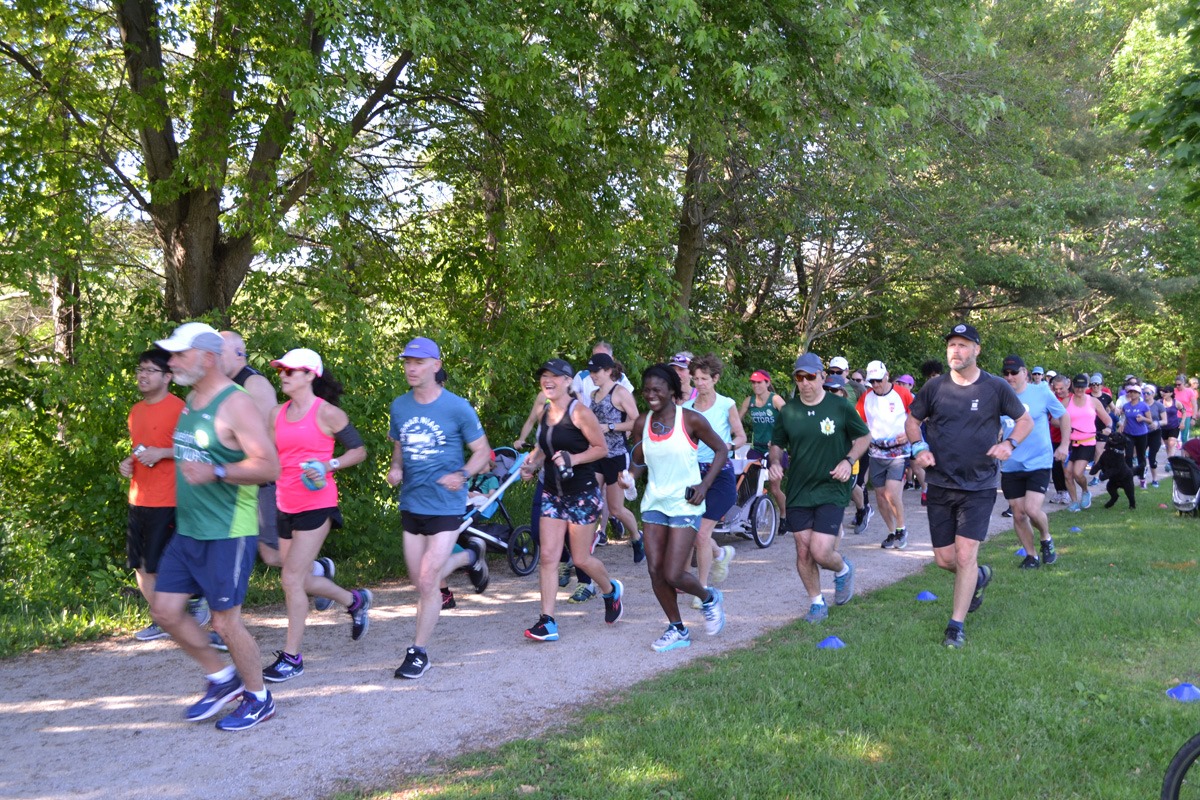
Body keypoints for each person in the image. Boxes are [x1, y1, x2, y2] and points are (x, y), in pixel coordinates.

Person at [149, 322, 281, 730]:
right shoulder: (191, 398)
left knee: (225, 621)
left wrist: (218, 471)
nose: (170, 362)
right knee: (165, 610)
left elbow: (268, 465)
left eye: (178, 354)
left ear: (207, 357)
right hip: (189, 528)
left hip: (228, 531)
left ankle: (259, 697)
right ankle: (222, 678)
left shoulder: (235, 404)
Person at [904, 323, 1032, 649]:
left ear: (977, 349)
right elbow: (912, 421)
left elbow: (1025, 420)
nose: (956, 351)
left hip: (980, 485)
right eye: (951, 345)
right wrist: (918, 447)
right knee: (944, 560)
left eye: (963, 345)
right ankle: (980, 576)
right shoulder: (935, 389)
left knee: (964, 556)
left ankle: (955, 626)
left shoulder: (996, 387)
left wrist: (1010, 445)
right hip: (940, 483)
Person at [259, 348, 371, 683]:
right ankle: (353, 601)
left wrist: (328, 464)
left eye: (290, 371)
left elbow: (359, 450)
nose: (283, 375)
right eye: (281, 370)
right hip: (284, 503)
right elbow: (269, 456)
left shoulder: (328, 414)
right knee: (296, 574)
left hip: (317, 504)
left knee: (291, 579)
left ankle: (292, 658)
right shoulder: (275, 414)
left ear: (310, 375)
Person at [387, 337, 492, 678]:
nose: (411, 368)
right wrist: (396, 468)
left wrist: (462, 474)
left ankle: (418, 652)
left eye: (418, 362)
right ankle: (470, 556)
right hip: (412, 501)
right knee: (419, 580)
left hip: (446, 503)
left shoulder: (457, 407)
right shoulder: (400, 406)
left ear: (436, 364)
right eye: (407, 362)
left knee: (430, 577)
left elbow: (482, 452)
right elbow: (400, 443)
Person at [220, 331, 336, 612]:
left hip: (266, 478)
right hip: (241, 478)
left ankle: (320, 571)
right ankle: (317, 570)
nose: (211, 357)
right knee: (267, 553)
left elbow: (270, 434)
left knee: (272, 554)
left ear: (238, 353)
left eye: (218, 351)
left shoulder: (254, 382)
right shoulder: (223, 385)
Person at [519, 358, 624, 642]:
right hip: (553, 493)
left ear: (568, 381)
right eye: (544, 375)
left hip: (582, 494)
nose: (547, 380)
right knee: (549, 557)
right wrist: (531, 465)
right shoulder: (545, 412)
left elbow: (601, 449)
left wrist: (573, 459)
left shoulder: (580, 413)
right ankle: (547, 621)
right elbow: (544, 446)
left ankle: (611, 590)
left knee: (581, 559)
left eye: (554, 375)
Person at [627, 364, 729, 651]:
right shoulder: (641, 423)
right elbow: (639, 460)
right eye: (646, 390)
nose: (651, 395)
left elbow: (722, 450)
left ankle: (709, 598)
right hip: (654, 503)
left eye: (657, 389)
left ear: (672, 390)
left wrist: (705, 485)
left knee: (674, 573)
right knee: (655, 571)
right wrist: (629, 479)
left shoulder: (692, 420)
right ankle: (678, 628)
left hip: (685, 503)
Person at [770, 353, 870, 624]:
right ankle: (816, 602)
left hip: (832, 486)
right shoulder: (789, 410)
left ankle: (842, 568)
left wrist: (849, 461)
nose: (805, 383)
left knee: (821, 551)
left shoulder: (840, 406)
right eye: (799, 377)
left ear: (822, 377)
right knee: (803, 550)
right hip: (800, 489)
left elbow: (864, 437)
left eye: (810, 377)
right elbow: (776, 442)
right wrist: (775, 461)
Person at [119, 347, 193, 641]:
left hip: (169, 499)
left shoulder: (180, 408)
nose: (143, 376)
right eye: (140, 370)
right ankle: (163, 620)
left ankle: (179, 614)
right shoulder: (135, 411)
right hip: (138, 498)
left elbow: (196, 449)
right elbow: (139, 450)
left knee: (161, 565)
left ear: (168, 377)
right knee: (139, 565)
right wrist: (128, 462)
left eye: (150, 371)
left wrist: (162, 452)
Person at [683, 354, 746, 597]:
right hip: (692, 475)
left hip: (720, 473)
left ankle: (702, 589)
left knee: (701, 533)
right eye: (696, 378)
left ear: (715, 379)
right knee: (689, 529)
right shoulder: (685, 409)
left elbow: (740, 436)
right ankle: (720, 554)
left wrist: (727, 446)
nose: (699, 383)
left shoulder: (726, 404)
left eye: (704, 378)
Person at [998, 356, 1069, 569]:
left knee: (1031, 509)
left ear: (1025, 372)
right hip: (1011, 463)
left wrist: (1064, 445)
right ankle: (1031, 557)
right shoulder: (999, 397)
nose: (1009, 377)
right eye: (1006, 373)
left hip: (1039, 460)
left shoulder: (1041, 392)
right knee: (1018, 514)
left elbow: (1064, 417)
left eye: (1014, 372)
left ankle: (1046, 538)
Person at [585, 351, 644, 562]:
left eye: (596, 372)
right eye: (590, 372)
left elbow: (637, 421)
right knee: (590, 502)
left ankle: (637, 538)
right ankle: (584, 550)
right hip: (597, 456)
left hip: (617, 456)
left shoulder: (620, 393)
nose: (592, 376)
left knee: (617, 509)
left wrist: (609, 427)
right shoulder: (592, 395)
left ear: (608, 371)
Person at [855, 360, 913, 549]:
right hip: (876, 452)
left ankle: (902, 528)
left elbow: (920, 415)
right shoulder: (866, 397)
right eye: (872, 382)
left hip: (899, 452)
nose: (876, 385)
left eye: (879, 380)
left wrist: (910, 433)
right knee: (880, 496)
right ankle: (891, 531)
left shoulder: (902, 394)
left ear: (887, 375)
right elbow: (858, 421)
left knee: (891, 493)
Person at [739, 369, 788, 531]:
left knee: (774, 488)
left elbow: (791, 419)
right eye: (753, 382)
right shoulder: (749, 401)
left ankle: (784, 516)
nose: (756, 385)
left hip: (775, 449)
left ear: (767, 382)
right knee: (746, 484)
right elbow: (735, 422)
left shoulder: (775, 399)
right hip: (756, 448)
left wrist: (779, 438)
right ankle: (748, 518)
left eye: (759, 382)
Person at [1064, 373, 1112, 512]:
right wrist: (1064, 423)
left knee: (1078, 473)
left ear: (1087, 387)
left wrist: (1108, 428)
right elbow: (1055, 419)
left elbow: (1108, 420)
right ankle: (1074, 502)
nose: (1079, 390)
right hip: (1069, 443)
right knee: (1068, 473)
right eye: (1077, 386)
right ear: (1073, 386)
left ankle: (1085, 491)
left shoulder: (1093, 401)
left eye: (1082, 386)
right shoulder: (1067, 401)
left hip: (1087, 441)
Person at [1117, 383, 1152, 488]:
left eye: (1134, 392)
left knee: (1141, 456)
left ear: (1139, 394)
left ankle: (1142, 478)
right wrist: (1121, 425)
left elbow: (1150, 421)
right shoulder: (1126, 406)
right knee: (1128, 456)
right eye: (1130, 392)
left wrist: (1143, 419)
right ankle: (1128, 478)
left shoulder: (1143, 405)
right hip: (1129, 434)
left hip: (1141, 434)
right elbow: (1124, 417)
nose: (1131, 394)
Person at [1047, 374, 1073, 503]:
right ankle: (1060, 492)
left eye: (1061, 388)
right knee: (1055, 466)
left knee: (1066, 467)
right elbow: (1052, 420)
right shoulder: (1052, 398)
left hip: (1070, 438)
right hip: (1053, 437)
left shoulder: (1074, 399)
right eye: (1056, 389)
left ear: (1068, 385)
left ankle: (1068, 492)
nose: (1058, 391)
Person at [1142, 384, 1166, 488]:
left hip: (1155, 433)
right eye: (1144, 393)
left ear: (1153, 394)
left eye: (1148, 393)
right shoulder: (1141, 405)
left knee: (1152, 457)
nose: (1146, 395)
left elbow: (1165, 421)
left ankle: (1155, 479)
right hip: (1142, 433)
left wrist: (1157, 423)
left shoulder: (1158, 405)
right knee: (1141, 456)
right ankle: (1142, 479)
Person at [1163, 384, 1183, 464]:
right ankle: (1170, 458)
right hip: (1164, 427)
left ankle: (1170, 462)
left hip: (1174, 426)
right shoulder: (1160, 402)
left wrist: (1183, 421)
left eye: (1166, 392)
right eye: (1164, 392)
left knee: (1172, 444)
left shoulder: (1176, 403)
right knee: (1167, 445)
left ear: (1171, 393)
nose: (1164, 393)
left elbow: (1184, 412)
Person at [1174, 375, 1196, 445]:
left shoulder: (1189, 391)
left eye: (1179, 384)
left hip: (1186, 415)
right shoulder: (1174, 391)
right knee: (1174, 437)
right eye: (1176, 384)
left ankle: (1184, 455)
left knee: (1184, 437)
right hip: (1175, 415)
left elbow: (1194, 405)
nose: (1177, 386)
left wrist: (1194, 418)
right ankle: (1173, 455)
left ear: (1183, 384)